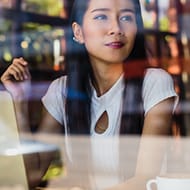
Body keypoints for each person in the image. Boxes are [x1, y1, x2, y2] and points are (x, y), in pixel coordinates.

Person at [1, 0, 178, 189]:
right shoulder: (62, 91)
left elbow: (145, 180)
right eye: (101, 16)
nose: (116, 28)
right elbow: (32, 176)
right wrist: (18, 102)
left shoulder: (154, 82)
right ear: (78, 32)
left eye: (126, 17)